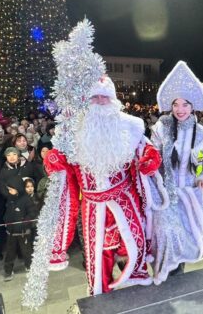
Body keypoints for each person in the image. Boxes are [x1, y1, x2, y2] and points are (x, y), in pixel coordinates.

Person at [39, 73, 162, 296]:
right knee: (98, 254)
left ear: (113, 99)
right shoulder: (73, 130)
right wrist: (54, 159)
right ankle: (100, 295)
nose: (100, 101)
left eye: (104, 97)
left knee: (134, 244)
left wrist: (150, 157)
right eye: (94, 97)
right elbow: (64, 164)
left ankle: (137, 286)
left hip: (125, 199)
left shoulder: (130, 125)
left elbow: (144, 148)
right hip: (93, 205)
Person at [149, 61, 203, 283]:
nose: (180, 109)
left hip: (189, 194)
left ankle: (177, 279)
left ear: (193, 106)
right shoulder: (160, 128)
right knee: (167, 236)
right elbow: (151, 159)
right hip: (165, 195)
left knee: (187, 238)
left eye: (185, 104)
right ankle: (165, 275)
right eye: (176, 104)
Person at [1, 176, 38, 281]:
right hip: (11, 232)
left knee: (27, 251)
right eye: (9, 189)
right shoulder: (10, 199)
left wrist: (24, 223)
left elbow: (32, 213)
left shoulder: (26, 199)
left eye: (12, 189)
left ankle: (29, 266)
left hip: (23, 231)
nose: (10, 191)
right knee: (10, 252)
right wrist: (7, 222)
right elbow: (7, 213)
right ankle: (8, 270)